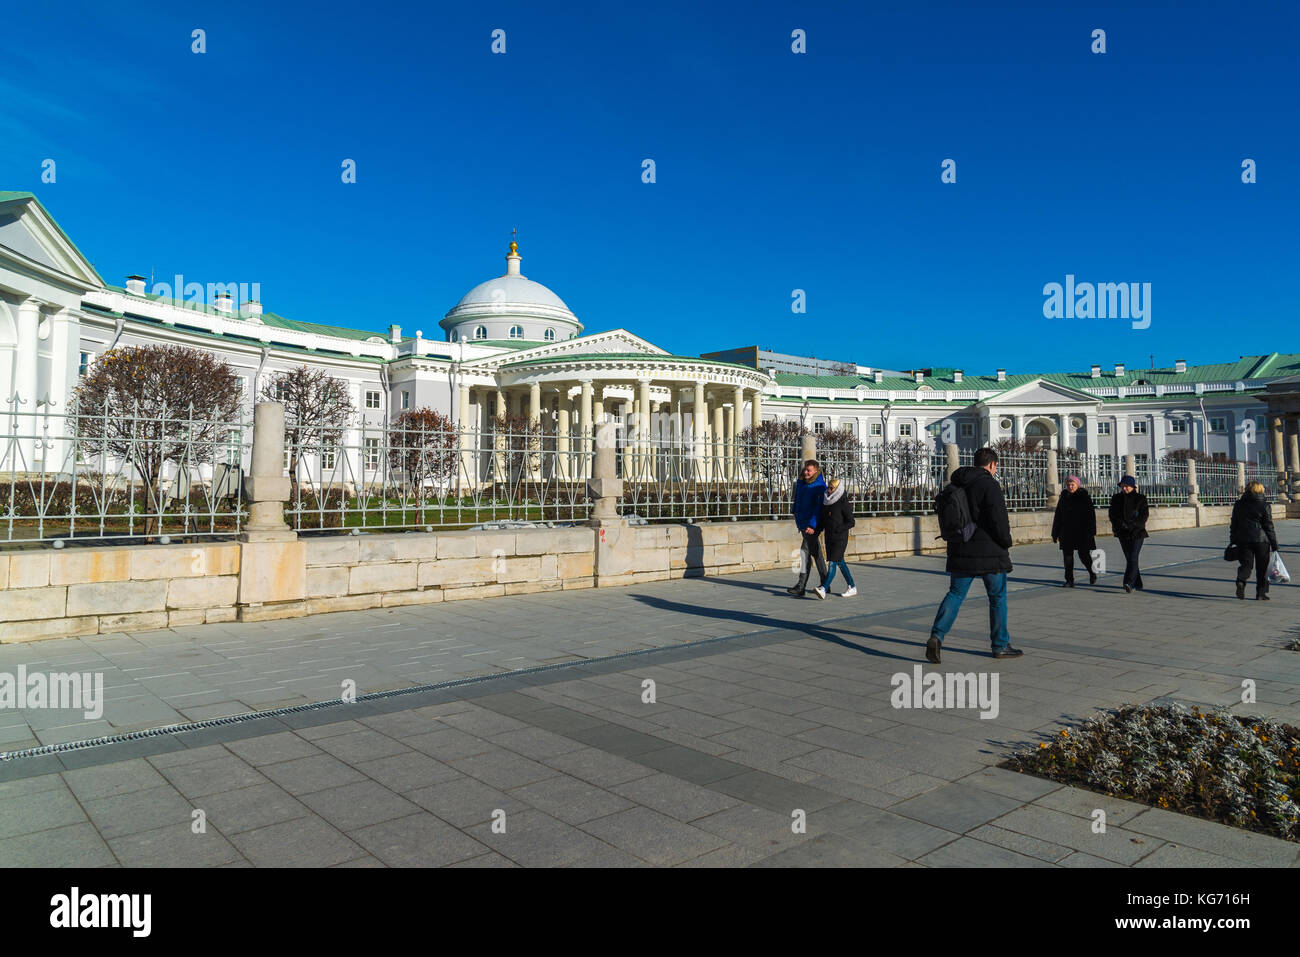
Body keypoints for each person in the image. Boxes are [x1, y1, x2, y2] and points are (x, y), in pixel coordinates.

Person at [926, 447, 1024, 662]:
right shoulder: (989, 484)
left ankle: (937, 635)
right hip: (990, 550)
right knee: (997, 597)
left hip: (961, 548)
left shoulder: (957, 482)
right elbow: (998, 518)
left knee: (955, 594)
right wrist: (1006, 541)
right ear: (992, 465)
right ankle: (1000, 645)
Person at [1229, 480, 1278, 600]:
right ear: (1261, 490)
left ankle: (1241, 581)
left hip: (1243, 539)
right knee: (1262, 567)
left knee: (1246, 565)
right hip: (1262, 540)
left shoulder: (1239, 504)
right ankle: (1261, 593)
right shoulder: (1265, 505)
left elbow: (1234, 523)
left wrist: (1233, 539)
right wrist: (1274, 544)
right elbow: (1268, 526)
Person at [787, 459, 827, 597]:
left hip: (811, 526)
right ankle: (825, 583)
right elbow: (798, 500)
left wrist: (812, 525)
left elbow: (818, 508)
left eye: (809, 470)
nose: (805, 472)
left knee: (804, 553)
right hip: (803, 523)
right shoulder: (802, 483)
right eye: (805, 469)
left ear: (816, 471)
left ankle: (801, 586)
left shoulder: (819, 486)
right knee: (816, 554)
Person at [1051, 474, 1098, 587]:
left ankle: (1092, 572)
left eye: (1073, 484)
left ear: (1077, 485)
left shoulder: (1084, 498)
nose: (1070, 487)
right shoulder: (1063, 498)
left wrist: (1091, 532)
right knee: (1067, 557)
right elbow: (1058, 516)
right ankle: (1069, 580)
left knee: (1084, 555)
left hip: (1082, 532)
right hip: (1066, 532)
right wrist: (1055, 533)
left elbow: (1091, 516)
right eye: (1068, 485)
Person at [815, 477, 856, 598]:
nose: (828, 490)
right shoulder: (826, 501)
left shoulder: (843, 502)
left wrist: (839, 529)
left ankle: (823, 588)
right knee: (840, 562)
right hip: (829, 537)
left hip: (840, 538)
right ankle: (852, 586)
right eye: (828, 487)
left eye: (831, 488)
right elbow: (823, 520)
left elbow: (851, 522)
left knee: (832, 563)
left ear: (837, 489)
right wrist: (817, 529)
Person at [1108, 475, 1149, 593]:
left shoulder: (1141, 498)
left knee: (1133, 557)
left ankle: (1129, 583)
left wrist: (1134, 525)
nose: (1124, 488)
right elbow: (1112, 514)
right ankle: (1138, 582)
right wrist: (1119, 525)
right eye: (1122, 486)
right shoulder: (1116, 498)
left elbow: (1144, 515)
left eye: (1126, 486)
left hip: (1137, 532)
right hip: (1122, 532)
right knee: (1130, 558)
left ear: (1132, 486)